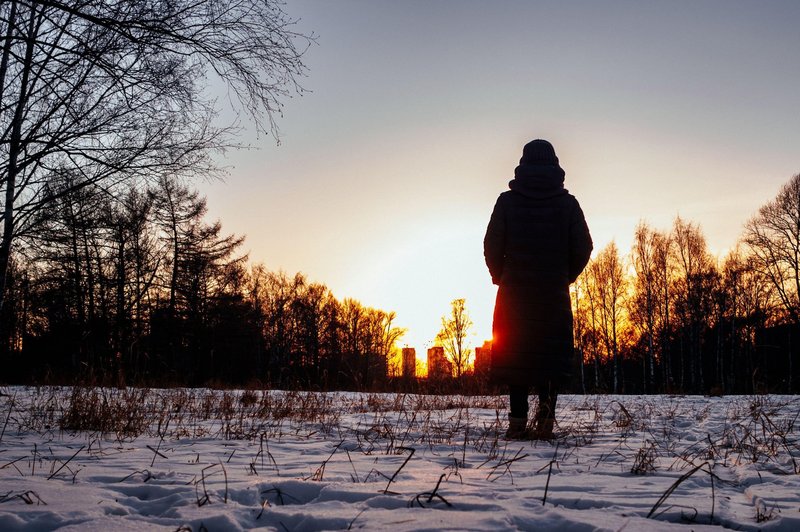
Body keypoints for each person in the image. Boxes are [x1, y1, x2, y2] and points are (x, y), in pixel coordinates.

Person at [484, 139, 592, 440]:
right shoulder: (567, 204)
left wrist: (500, 276)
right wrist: (563, 276)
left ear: (523, 164)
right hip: (552, 294)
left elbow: (491, 245)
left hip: (514, 294)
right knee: (550, 357)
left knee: (516, 355)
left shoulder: (507, 201)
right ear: (555, 165)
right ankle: (545, 424)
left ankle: (517, 423)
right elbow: (584, 247)